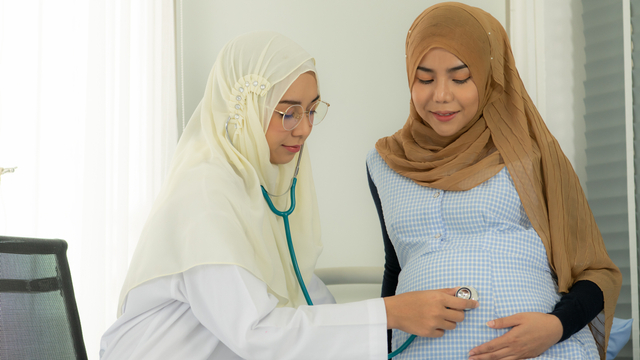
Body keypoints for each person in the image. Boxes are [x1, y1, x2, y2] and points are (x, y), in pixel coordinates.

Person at [99, 31, 478, 360]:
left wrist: (391, 320)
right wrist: (390, 314)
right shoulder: (205, 196)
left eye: (312, 111)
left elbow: (306, 298)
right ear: (246, 109)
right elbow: (257, 333)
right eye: (288, 112)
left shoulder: (258, 190)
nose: (303, 130)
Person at [366, 3, 621, 360]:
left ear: (489, 75)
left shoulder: (531, 154)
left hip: (543, 352)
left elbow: (594, 271)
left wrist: (555, 327)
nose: (440, 94)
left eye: (460, 77)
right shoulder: (384, 162)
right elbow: (397, 265)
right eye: (425, 78)